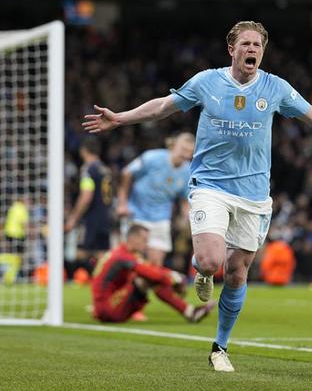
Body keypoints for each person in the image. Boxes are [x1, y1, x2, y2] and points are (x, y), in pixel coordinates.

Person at [81, 20, 312, 371]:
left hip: (253, 194)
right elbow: (163, 107)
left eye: (257, 45)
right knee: (210, 261)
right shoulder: (207, 82)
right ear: (231, 49)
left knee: (236, 272)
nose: (252, 49)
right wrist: (120, 118)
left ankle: (220, 347)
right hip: (210, 186)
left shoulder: (275, 87)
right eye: (246, 44)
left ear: (263, 51)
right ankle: (202, 271)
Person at [91, 223, 214, 323]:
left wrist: (174, 276)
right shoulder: (123, 256)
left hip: (102, 307)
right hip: (108, 309)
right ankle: (190, 312)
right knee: (147, 279)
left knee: (148, 276)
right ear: (133, 238)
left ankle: (190, 311)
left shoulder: (121, 252)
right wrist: (174, 280)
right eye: (144, 240)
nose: (146, 244)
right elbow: (154, 274)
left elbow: (151, 268)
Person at [116, 132, 194, 267]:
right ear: (173, 145)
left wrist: (186, 217)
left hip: (161, 218)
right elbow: (126, 173)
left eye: (189, 151)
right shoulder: (152, 157)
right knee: (129, 260)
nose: (185, 154)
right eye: (183, 149)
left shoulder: (188, 171)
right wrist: (122, 204)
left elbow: (184, 199)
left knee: (156, 264)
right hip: (136, 213)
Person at [64, 138, 113, 276]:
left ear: (84, 150)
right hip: (105, 217)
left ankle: (79, 279)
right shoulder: (105, 169)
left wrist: (74, 217)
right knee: (102, 254)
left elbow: (86, 195)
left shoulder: (88, 169)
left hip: (91, 218)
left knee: (81, 252)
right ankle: (102, 281)